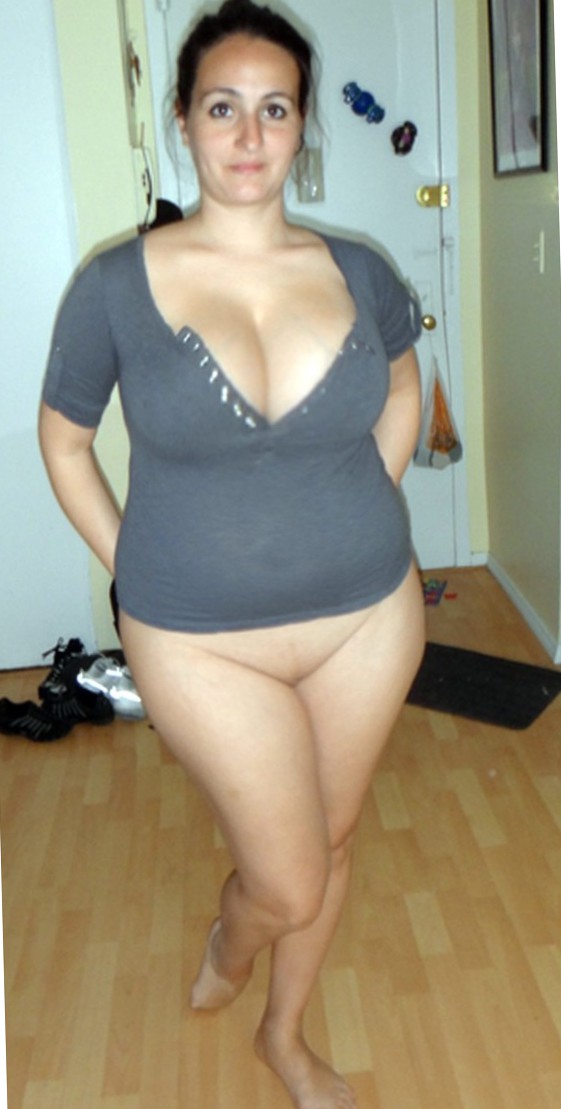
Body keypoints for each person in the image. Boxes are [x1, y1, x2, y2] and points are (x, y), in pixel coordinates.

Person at [39, 2, 425, 1105]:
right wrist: (138, 565)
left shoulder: (359, 270)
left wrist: (360, 502)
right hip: (199, 640)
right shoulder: (115, 285)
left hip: (366, 615)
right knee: (287, 876)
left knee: (332, 840)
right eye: (222, 108)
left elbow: (404, 388)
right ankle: (231, 935)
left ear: (302, 124)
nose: (249, 136)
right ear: (182, 120)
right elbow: (63, 441)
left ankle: (284, 1036)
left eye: (274, 109)